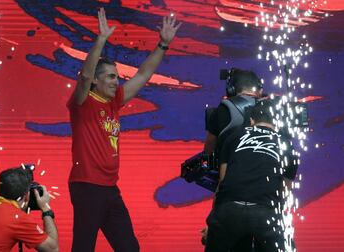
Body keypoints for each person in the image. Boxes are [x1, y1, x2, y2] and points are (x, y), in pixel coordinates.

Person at [67, 7, 181, 252]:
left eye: (117, 77)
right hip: (87, 185)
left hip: (109, 188)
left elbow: (143, 74)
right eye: (109, 77)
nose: (115, 81)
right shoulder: (83, 102)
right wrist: (101, 39)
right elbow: (85, 76)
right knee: (83, 248)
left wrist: (162, 45)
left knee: (129, 247)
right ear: (97, 81)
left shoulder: (114, 102)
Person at [204, 99, 299, 252]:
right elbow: (285, 193)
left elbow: (223, 181)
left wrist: (213, 224)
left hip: (229, 210)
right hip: (265, 212)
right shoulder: (287, 146)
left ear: (251, 120)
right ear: (277, 121)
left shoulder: (234, 137)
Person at [204, 68, 263, 155]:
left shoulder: (223, 109)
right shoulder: (269, 109)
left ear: (231, 90)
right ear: (260, 90)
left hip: (230, 166)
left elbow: (209, 150)